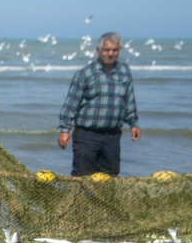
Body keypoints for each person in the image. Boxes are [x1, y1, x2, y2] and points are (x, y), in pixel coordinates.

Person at [57, 32, 140, 176]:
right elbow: (71, 104)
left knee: (110, 177)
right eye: (107, 50)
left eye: (115, 50)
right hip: (87, 135)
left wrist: (133, 123)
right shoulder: (85, 74)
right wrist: (65, 130)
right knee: (82, 177)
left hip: (112, 136)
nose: (110, 53)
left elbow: (129, 99)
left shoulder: (124, 72)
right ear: (98, 51)